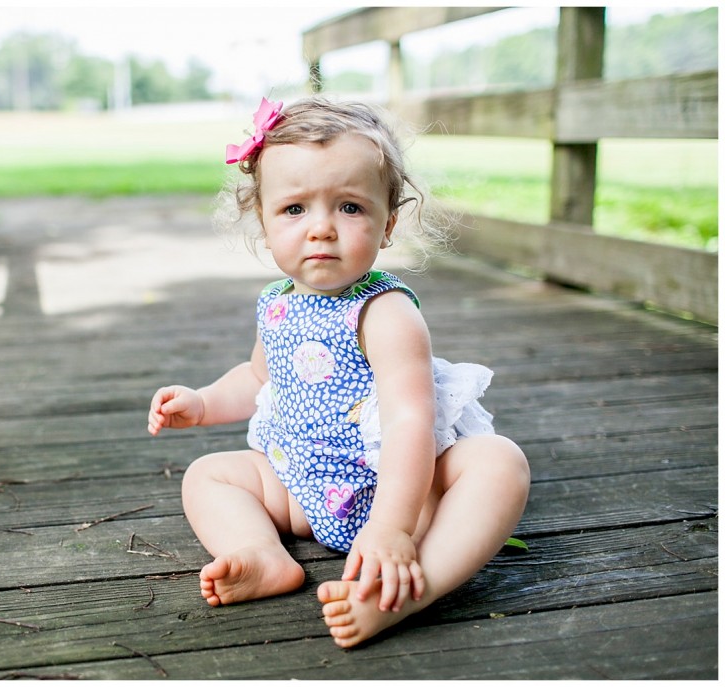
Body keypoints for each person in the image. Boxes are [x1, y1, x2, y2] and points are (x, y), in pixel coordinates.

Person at [147, 96, 530, 649]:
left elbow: (409, 423)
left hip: (397, 493)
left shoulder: (386, 312)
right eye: (295, 209)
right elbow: (260, 378)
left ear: (388, 222)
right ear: (264, 219)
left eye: (349, 208)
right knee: (208, 475)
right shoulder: (276, 304)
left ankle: (409, 588)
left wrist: (393, 526)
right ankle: (260, 553)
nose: (322, 229)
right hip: (300, 489)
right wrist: (204, 403)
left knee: (499, 465)